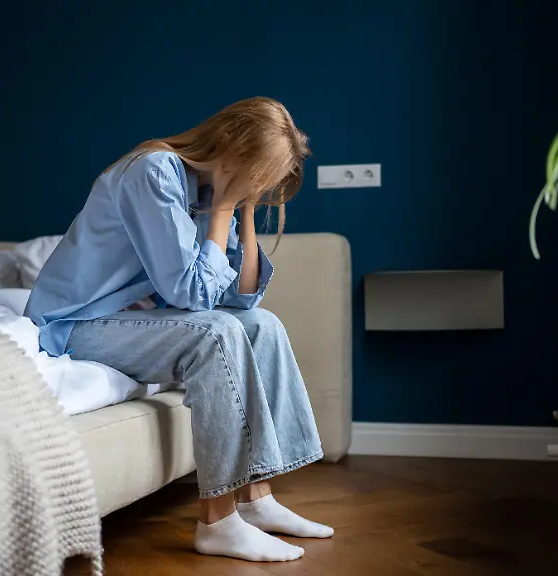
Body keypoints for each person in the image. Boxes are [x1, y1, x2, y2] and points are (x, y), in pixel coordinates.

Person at [25, 97, 332, 562]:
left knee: (261, 326)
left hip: (138, 320)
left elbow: (242, 297)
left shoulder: (211, 195)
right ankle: (218, 522)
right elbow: (193, 295)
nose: (261, 186)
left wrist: (241, 210)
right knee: (216, 333)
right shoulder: (154, 172)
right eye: (259, 172)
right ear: (231, 145)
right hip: (78, 322)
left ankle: (256, 499)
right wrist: (227, 205)